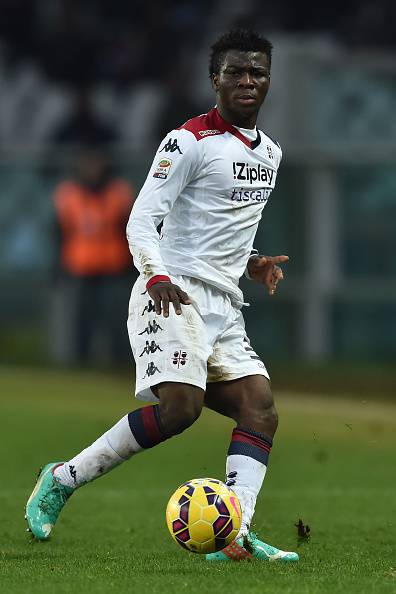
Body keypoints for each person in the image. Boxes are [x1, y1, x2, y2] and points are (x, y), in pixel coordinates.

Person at [26, 29, 299, 563]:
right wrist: (155, 276)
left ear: (268, 81)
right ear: (214, 79)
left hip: (225, 304)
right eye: (236, 72)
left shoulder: (270, 153)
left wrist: (252, 260)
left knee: (260, 409)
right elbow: (142, 220)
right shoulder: (187, 141)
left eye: (258, 73)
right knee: (180, 409)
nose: (247, 81)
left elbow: (218, 232)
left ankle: (236, 535)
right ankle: (62, 477)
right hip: (171, 293)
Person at [51, 150, 135, 364]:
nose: (92, 169)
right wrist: (58, 267)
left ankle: (120, 364)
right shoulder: (68, 194)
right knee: (81, 323)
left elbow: (130, 231)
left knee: (117, 320)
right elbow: (58, 233)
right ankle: (80, 365)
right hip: (80, 267)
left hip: (113, 267)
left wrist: (133, 266)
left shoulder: (119, 192)